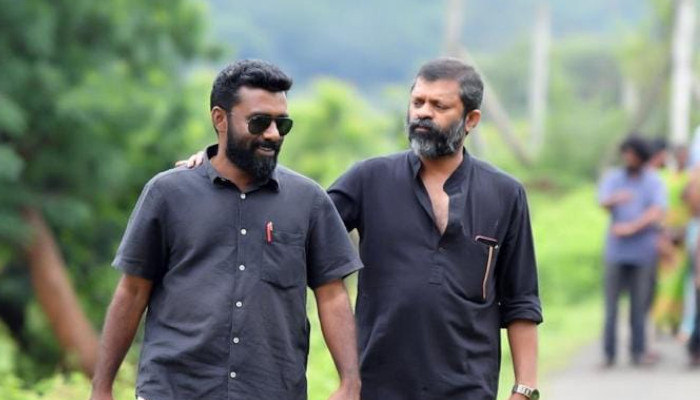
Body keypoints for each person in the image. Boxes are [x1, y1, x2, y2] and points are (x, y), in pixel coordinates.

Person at [182, 58, 543, 400]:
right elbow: (296, 219)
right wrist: (220, 162)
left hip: (469, 387)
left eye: (439, 105)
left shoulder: (504, 194)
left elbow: (521, 301)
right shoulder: (370, 179)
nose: (423, 112)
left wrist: (524, 389)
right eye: (417, 102)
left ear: (471, 119)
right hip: (378, 385)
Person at [89, 60, 363, 400]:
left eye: (282, 124)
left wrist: (350, 382)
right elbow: (132, 291)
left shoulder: (308, 201)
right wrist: (101, 388)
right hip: (175, 390)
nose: (273, 134)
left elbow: (333, 295)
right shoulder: (168, 194)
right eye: (259, 122)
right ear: (220, 119)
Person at [598, 136, 667, 367]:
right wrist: (614, 200)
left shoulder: (653, 181)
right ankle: (609, 354)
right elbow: (602, 202)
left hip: (643, 252)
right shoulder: (615, 178)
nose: (628, 158)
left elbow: (657, 210)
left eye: (632, 154)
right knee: (611, 306)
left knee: (639, 305)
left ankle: (638, 352)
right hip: (616, 252)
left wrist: (631, 227)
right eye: (625, 153)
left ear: (641, 156)